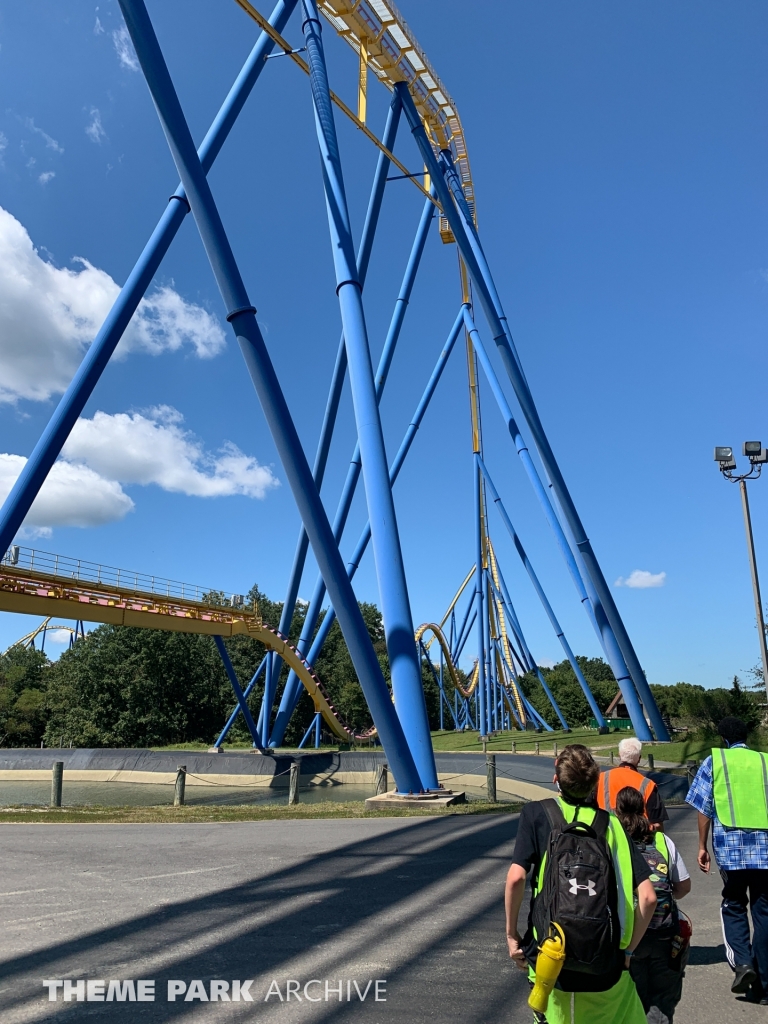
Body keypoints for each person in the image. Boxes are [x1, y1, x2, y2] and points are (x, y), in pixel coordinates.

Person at [505, 743, 658, 1024]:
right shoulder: (612, 825)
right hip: (605, 963)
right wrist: (628, 951)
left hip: (549, 959)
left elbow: (516, 877)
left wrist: (512, 935)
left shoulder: (537, 814)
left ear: (556, 777)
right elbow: (648, 897)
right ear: (594, 783)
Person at [686, 716, 768, 1003]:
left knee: (733, 905)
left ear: (723, 738)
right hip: (766, 852)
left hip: (731, 852)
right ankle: (765, 983)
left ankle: (743, 964)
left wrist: (701, 845)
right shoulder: (765, 762)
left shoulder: (714, 762)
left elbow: (703, 807)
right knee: (764, 912)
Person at [615, 785, 691, 1023]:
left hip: (629, 935)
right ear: (644, 810)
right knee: (662, 1000)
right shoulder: (662, 841)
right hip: (665, 933)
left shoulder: (615, 842)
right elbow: (683, 886)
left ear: (617, 811)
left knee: (632, 1001)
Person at [597, 737, 669, 830]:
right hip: (639, 838)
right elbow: (657, 823)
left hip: (606, 835)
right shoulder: (648, 784)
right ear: (639, 759)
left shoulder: (600, 778)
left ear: (619, 756)